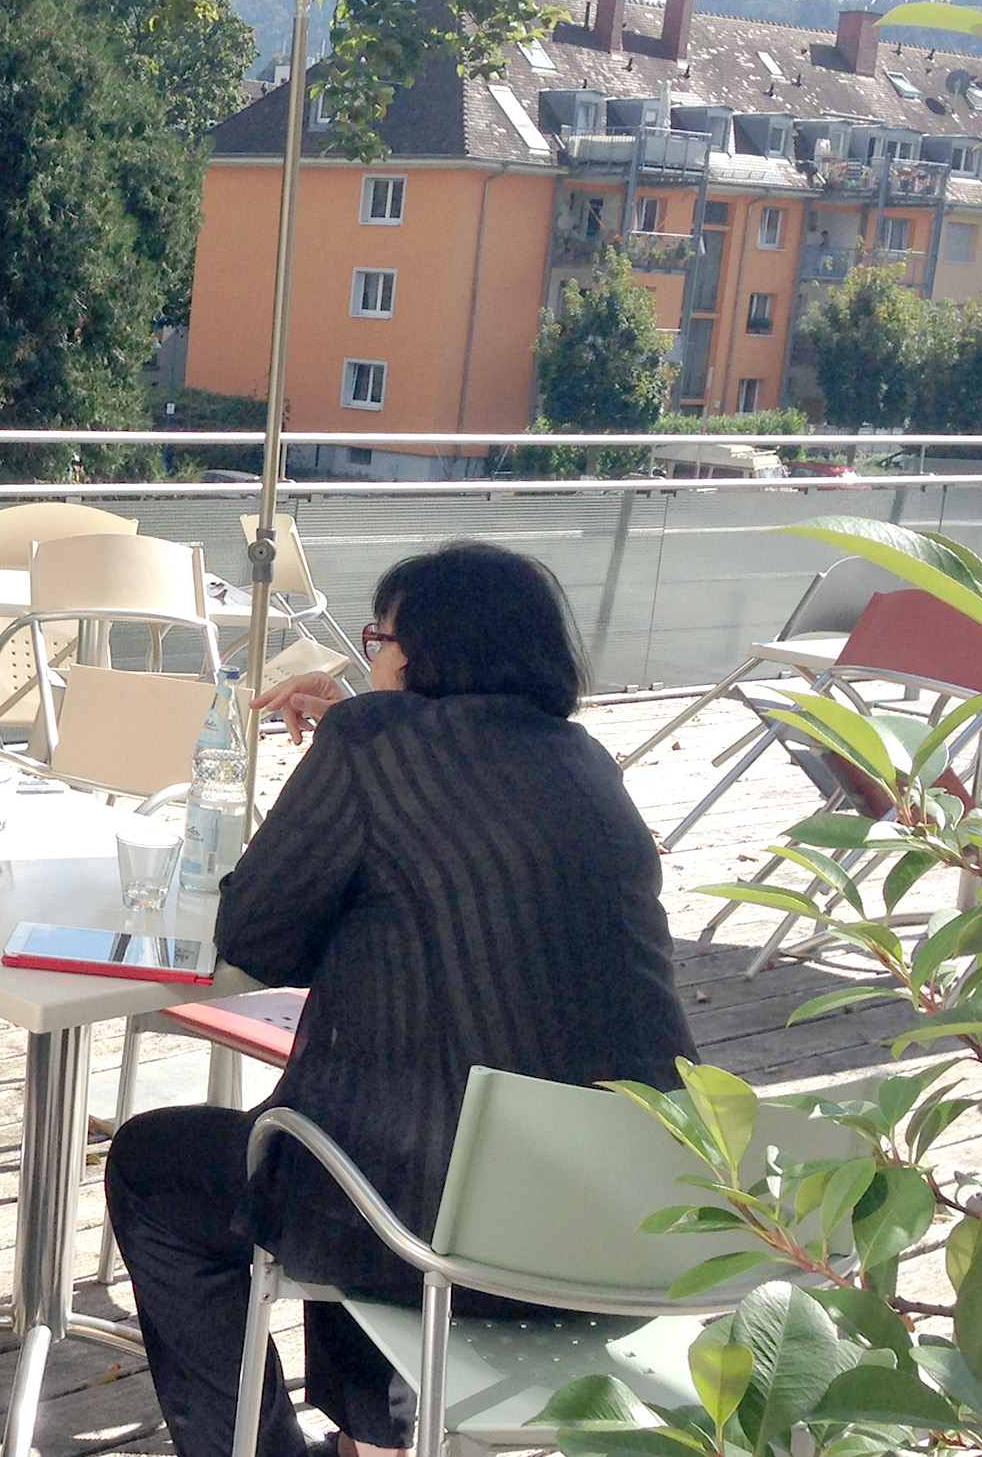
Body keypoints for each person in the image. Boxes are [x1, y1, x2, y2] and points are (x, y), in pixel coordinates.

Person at [105, 542, 697, 1457]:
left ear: (416, 653)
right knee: (381, 1090)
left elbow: (256, 937)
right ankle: (367, 1437)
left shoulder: (368, 743)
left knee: (168, 1164)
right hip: (632, 1228)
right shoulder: (587, 765)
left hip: (454, 1239)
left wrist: (349, 743)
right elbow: (454, 849)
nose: (371, 654)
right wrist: (366, 731)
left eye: (378, 637)